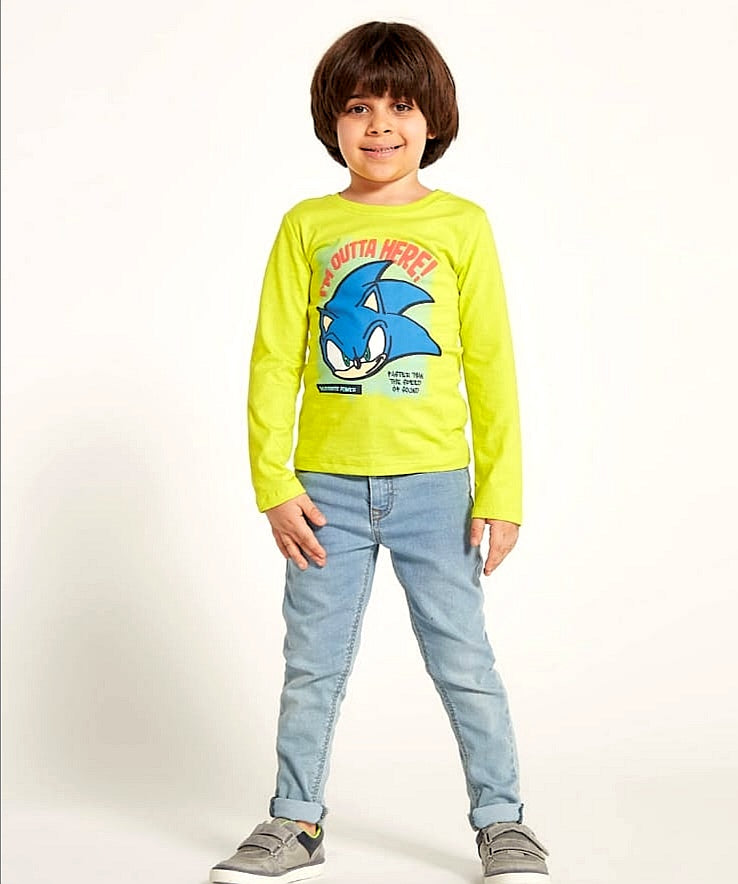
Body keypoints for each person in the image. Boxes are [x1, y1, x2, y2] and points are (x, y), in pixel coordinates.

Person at [210, 20, 551, 884]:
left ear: (434, 118)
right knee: (312, 667)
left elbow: (491, 365)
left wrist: (501, 492)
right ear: (332, 119)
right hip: (322, 494)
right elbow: (274, 358)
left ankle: (504, 824)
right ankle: (295, 821)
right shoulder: (307, 225)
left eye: (400, 106)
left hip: (438, 491)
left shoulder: (462, 224)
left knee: (464, 662)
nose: (380, 125)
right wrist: (273, 481)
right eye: (359, 106)